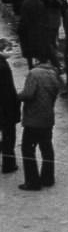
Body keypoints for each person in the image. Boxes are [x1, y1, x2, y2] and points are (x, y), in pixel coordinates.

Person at [17, 56, 60, 190]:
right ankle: (48, 178)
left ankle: (32, 182)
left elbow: (28, 94)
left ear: (36, 59)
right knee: (46, 148)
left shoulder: (34, 73)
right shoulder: (54, 74)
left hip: (33, 118)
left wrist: (17, 96)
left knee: (27, 149)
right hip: (48, 117)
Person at [0, 38, 21, 174]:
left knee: (7, 135)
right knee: (9, 136)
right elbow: (7, 91)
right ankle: (9, 164)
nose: (12, 52)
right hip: (5, 108)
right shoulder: (2, 67)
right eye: (9, 50)